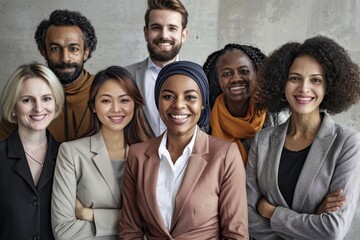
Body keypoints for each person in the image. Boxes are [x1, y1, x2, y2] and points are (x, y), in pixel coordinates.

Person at [246, 36, 360, 239]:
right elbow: (248, 219)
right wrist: (311, 222)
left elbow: (332, 230)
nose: (303, 88)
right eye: (294, 78)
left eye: (316, 80)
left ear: (329, 86)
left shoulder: (347, 143)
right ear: (282, 82)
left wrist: (270, 211)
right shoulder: (262, 141)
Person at [119, 61, 248, 239]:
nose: (178, 105)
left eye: (190, 97)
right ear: (158, 102)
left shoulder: (225, 155)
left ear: (203, 103)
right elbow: (130, 230)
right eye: (168, 96)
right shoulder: (137, 154)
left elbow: (236, 234)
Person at [51, 66, 151, 239]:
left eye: (124, 100)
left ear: (135, 104)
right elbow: (64, 231)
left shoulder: (151, 153)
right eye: (106, 101)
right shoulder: (71, 153)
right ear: (93, 106)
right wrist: (131, 222)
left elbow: (156, 225)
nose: (116, 109)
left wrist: (91, 215)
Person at [0, 9, 97, 142]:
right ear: (43, 51)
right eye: (55, 49)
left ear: (86, 52)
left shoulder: (104, 90)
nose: (65, 59)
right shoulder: (25, 90)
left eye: (73, 49)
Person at [0, 63, 64, 240]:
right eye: (27, 100)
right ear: (13, 107)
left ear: (56, 103)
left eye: (46, 99)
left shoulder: (69, 157)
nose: (38, 108)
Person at [203, 43, 288, 166]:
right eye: (226, 74)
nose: (236, 78)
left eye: (244, 71)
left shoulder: (275, 117)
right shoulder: (206, 120)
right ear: (217, 79)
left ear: (257, 74)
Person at [125, 0, 189, 137]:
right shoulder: (125, 76)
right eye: (156, 27)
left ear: (184, 35)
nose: (164, 36)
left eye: (172, 28)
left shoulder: (199, 78)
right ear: (145, 32)